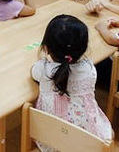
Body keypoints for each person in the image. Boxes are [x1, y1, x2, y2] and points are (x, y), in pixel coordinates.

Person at [32, 15, 112, 150]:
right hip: (88, 136)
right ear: (83, 48)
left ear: (46, 48)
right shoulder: (89, 69)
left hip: (54, 139)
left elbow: (33, 72)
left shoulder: (44, 69)